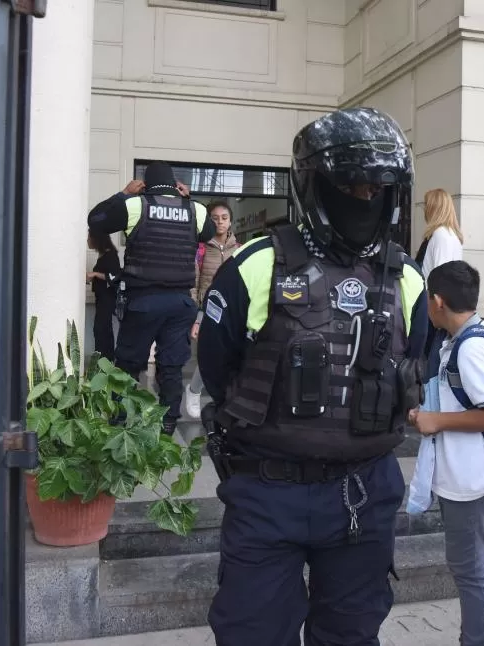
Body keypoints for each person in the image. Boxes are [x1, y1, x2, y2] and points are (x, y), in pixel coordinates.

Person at [197, 107, 428, 646]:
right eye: (351, 186)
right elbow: (217, 370)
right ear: (314, 185)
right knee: (252, 633)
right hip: (266, 490)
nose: (365, 199)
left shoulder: (409, 281)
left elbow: (412, 365)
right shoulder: (253, 267)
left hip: (363, 494)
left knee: (351, 635)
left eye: (378, 188)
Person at [409, 260, 484, 646]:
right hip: (462, 474)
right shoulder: (461, 340)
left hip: (473, 478)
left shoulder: (471, 348)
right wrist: (428, 415)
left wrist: (439, 422)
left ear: (437, 301)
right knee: (466, 566)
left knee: (470, 570)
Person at [87, 161, 216, 435]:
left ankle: (120, 421)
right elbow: (208, 233)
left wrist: (123, 193)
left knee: (128, 365)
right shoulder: (195, 209)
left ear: (144, 184)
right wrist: (189, 198)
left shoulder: (135, 205)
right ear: (176, 184)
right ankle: (168, 423)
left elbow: (95, 220)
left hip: (143, 301)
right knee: (171, 366)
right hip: (180, 304)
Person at [184, 200, 240, 419]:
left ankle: (225, 399)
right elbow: (194, 283)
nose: (220, 222)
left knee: (231, 356)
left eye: (224, 218)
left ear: (230, 221)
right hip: (207, 309)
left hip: (233, 310)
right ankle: (194, 391)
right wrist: (195, 316)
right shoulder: (200, 247)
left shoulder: (239, 247)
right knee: (209, 355)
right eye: (215, 218)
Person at [414, 188, 464, 377]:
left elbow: (440, 275)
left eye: (427, 205)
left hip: (433, 307)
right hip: (439, 306)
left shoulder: (440, 235)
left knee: (430, 359)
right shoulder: (451, 235)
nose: (425, 210)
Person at [85, 229, 122, 361]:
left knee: (101, 329)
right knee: (103, 329)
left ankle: (104, 360)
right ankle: (105, 359)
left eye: (89, 237)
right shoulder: (103, 255)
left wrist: (94, 274)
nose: (87, 240)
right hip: (101, 298)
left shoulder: (110, 255)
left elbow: (114, 276)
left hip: (107, 298)